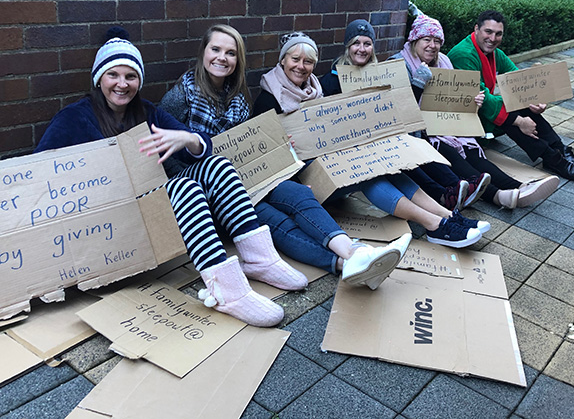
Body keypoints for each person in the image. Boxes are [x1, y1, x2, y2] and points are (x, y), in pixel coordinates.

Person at [35, 27, 312, 328]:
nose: (122, 84)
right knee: (183, 187)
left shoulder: (147, 112)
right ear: (99, 78)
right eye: (113, 75)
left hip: (155, 206)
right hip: (112, 220)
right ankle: (228, 291)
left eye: (131, 76)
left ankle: (259, 261)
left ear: (139, 80)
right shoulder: (75, 118)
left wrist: (187, 138)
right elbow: (40, 170)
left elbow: (204, 146)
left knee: (217, 166)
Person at [160, 24, 410, 291]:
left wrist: (280, 155)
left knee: (299, 193)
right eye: (216, 49)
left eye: (231, 53)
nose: (222, 57)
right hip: (209, 192)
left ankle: (353, 253)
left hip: (247, 178)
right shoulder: (180, 96)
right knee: (271, 219)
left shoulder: (239, 99)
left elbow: (253, 146)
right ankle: (344, 263)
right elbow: (165, 159)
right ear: (203, 52)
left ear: (238, 59)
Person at [254, 31, 490, 249]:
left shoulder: (315, 90)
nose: (301, 66)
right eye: (295, 59)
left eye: (308, 62)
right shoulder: (268, 99)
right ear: (283, 60)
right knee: (365, 175)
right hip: (302, 181)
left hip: (329, 161)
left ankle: (446, 215)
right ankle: (434, 225)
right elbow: (263, 158)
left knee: (382, 166)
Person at [318, 18, 489, 211]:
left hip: (386, 133)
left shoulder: (380, 74)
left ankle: (454, 187)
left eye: (367, 44)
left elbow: (399, 110)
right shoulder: (332, 80)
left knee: (412, 144)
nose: (361, 49)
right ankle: (444, 194)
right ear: (347, 46)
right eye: (356, 43)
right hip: (355, 147)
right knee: (399, 153)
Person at [391, 14, 559, 209]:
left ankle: (518, 187)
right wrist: (418, 83)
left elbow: (453, 100)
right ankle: (499, 195)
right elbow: (398, 111)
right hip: (419, 131)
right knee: (451, 152)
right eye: (426, 40)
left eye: (437, 41)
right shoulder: (399, 64)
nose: (432, 45)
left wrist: (472, 102)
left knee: (471, 150)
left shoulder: (443, 61)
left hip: (445, 124)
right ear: (414, 40)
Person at [448, 10, 574, 180]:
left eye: (498, 34)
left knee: (520, 101)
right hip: (465, 118)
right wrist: (520, 121)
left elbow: (520, 83)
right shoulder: (464, 55)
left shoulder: (494, 53)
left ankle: (560, 150)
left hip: (481, 110)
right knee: (511, 114)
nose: (493, 38)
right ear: (476, 29)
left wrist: (536, 100)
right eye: (488, 32)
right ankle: (553, 159)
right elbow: (482, 100)